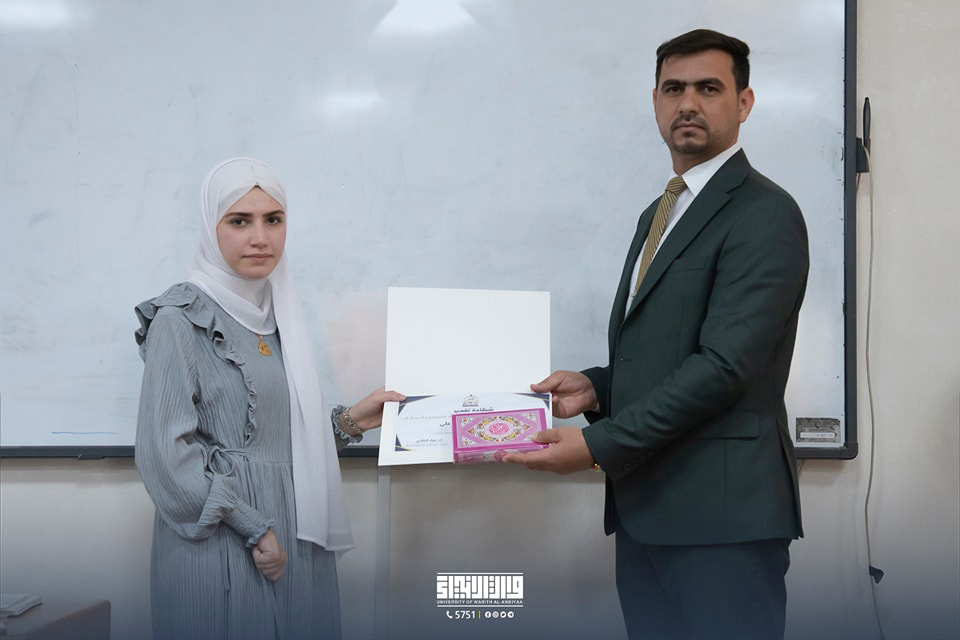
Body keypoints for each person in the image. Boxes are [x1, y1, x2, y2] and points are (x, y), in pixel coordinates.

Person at [505, 29, 808, 640]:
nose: (688, 103)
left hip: (722, 523)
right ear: (655, 101)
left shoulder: (764, 212)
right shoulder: (662, 211)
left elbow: (724, 367)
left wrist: (596, 445)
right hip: (648, 513)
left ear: (744, 103)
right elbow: (669, 350)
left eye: (708, 88)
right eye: (674, 89)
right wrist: (596, 388)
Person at [134, 157, 403, 639]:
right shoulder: (180, 319)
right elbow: (165, 457)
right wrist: (253, 525)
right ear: (210, 227)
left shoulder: (279, 319)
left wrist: (352, 421)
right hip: (224, 542)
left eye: (273, 220)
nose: (261, 237)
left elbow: (277, 443)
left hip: (289, 537)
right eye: (240, 221)